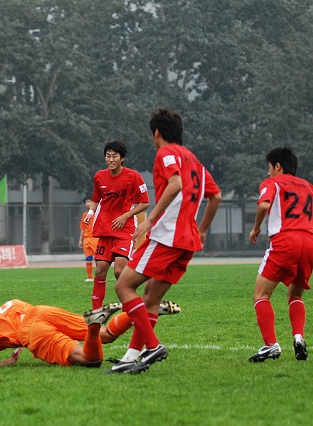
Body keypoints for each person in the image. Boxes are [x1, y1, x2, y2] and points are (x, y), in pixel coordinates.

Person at [110, 108, 221, 374]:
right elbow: (216, 196)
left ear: (157, 133)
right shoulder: (195, 161)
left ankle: (153, 346)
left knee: (123, 286)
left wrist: (149, 220)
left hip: (167, 237)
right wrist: (202, 230)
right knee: (150, 298)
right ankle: (130, 358)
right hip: (188, 242)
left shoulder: (165, 152)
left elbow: (175, 184)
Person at [0, 299, 181, 368]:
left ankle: (93, 326)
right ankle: (141, 311)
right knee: (107, 334)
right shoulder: (11, 303)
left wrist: (9, 362)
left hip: (32, 331)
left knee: (91, 360)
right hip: (41, 311)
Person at [248, 147, 313, 362]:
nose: (268, 173)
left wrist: (256, 228)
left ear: (278, 166)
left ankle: (271, 345)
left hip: (286, 241)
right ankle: (298, 337)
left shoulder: (272, 182)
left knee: (260, 294)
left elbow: (264, 205)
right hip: (309, 242)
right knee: (295, 295)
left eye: (270, 168)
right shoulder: (309, 186)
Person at [83, 141, 150, 309]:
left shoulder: (133, 176)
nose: (111, 159)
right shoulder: (99, 176)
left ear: (122, 158)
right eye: (108, 156)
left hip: (124, 230)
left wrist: (125, 216)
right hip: (105, 230)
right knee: (100, 270)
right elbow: (96, 200)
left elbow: (145, 203)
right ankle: (96, 313)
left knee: (119, 271)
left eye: (114, 156)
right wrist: (90, 213)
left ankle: (131, 309)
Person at [78, 197, 99, 282]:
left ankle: (100, 276)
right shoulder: (84, 215)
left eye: (89, 202)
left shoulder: (97, 213)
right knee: (88, 258)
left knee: (98, 258)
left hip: (95, 238)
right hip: (86, 239)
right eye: (86, 202)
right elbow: (82, 228)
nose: (87, 204)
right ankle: (90, 277)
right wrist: (80, 240)